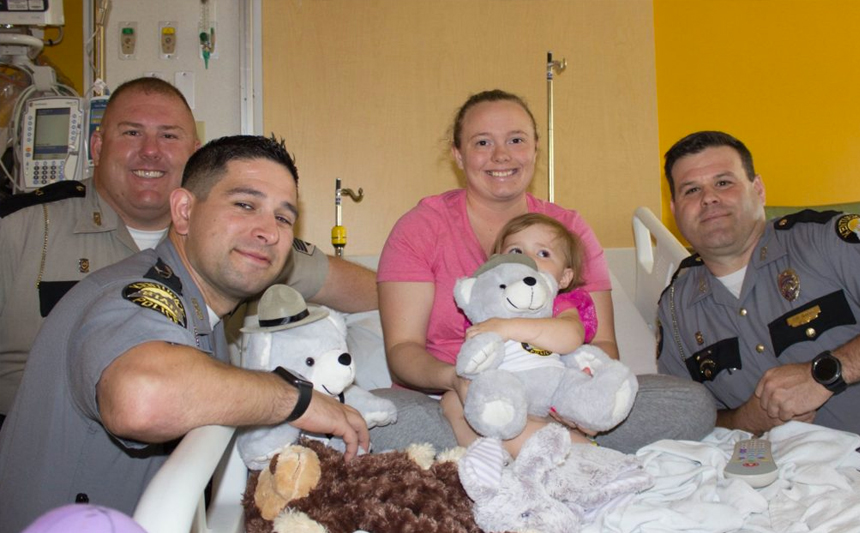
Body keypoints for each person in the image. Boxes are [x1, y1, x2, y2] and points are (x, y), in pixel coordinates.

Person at [0, 135, 371, 532]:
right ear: (183, 211)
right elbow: (142, 396)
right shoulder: (134, 294)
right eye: (245, 205)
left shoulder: (199, 308)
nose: (269, 231)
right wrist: (295, 398)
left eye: (283, 217)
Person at [0, 77, 377, 427]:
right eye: (132, 132)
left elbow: (378, 290)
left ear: (194, 152)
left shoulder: (247, 245)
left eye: (169, 136)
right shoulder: (24, 229)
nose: (150, 152)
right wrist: (291, 399)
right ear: (97, 146)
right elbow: (142, 396)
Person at [378, 89, 715, 455]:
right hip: (448, 398)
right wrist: (458, 381)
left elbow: (601, 343)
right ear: (458, 154)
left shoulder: (569, 228)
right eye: (482, 142)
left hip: (556, 390)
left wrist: (575, 398)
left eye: (516, 140)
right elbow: (402, 351)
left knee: (691, 404)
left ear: (536, 149)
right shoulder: (421, 228)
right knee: (382, 419)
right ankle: (567, 453)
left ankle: (521, 449)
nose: (501, 155)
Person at [657, 130, 860, 436]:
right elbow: (684, 418)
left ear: (759, 190)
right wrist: (743, 421)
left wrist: (827, 373)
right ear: (675, 212)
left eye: (723, 183)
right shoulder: (675, 309)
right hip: (775, 478)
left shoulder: (826, 241)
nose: (709, 198)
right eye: (691, 190)